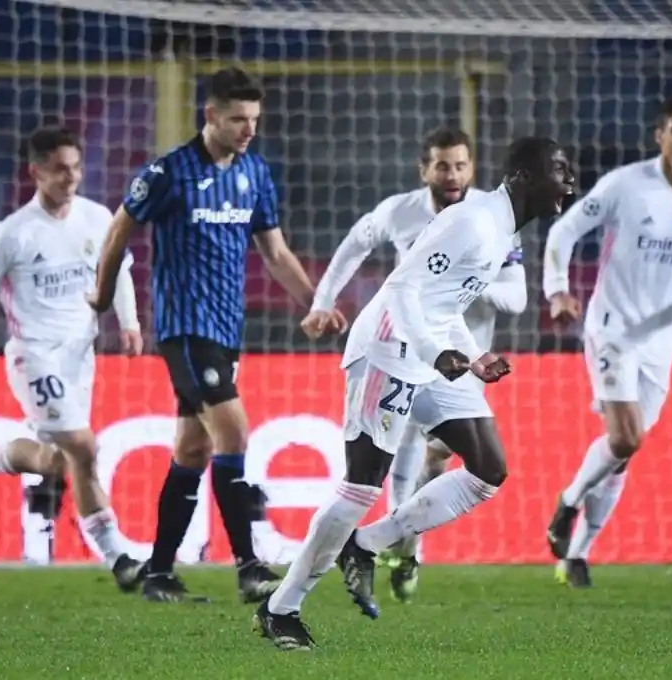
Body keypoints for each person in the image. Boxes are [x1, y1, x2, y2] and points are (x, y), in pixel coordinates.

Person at [253, 137, 574, 651]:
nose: (570, 180)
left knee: (488, 468)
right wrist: (432, 351)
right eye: (559, 169)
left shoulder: (497, 228)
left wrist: (473, 356)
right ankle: (280, 608)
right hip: (386, 349)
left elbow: (443, 305)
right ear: (524, 177)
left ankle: (367, 544)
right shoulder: (472, 221)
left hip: (431, 354)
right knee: (362, 486)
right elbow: (401, 287)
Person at [89, 66, 346, 603]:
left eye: (254, 119)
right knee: (234, 433)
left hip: (228, 332)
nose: (248, 128)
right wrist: (102, 294)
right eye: (237, 119)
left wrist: (317, 303)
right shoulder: (170, 173)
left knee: (192, 448)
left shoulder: (254, 173)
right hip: (185, 329)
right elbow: (119, 227)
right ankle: (249, 565)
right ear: (210, 115)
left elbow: (274, 252)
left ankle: (159, 573)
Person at [302, 128, 527, 602]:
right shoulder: (398, 211)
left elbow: (517, 296)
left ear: (473, 168)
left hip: (461, 357)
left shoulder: (488, 219)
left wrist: (463, 281)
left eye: (461, 165)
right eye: (442, 165)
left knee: (446, 456)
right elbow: (354, 243)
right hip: (401, 349)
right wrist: (324, 300)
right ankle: (382, 553)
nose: (452, 175)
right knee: (392, 455)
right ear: (423, 169)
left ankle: (404, 546)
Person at [0, 125, 145, 587]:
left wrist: (130, 321)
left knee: (62, 461)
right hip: (33, 357)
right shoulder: (11, 234)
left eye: (76, 167)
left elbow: (117, 271)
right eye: (59, 169)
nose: (70, 177)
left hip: (81, 356)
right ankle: (117, 556)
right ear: (35, 172)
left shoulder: (99, 219)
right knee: (84, 447)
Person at [543, 98, 672, 587]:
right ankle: (568, 502)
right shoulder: (626, 185)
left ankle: (577, 554)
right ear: (660, 135)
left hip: (664, 342)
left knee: (624, 449)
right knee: (627, 436)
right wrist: (557, 289)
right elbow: (564, 230)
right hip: (612, 328)